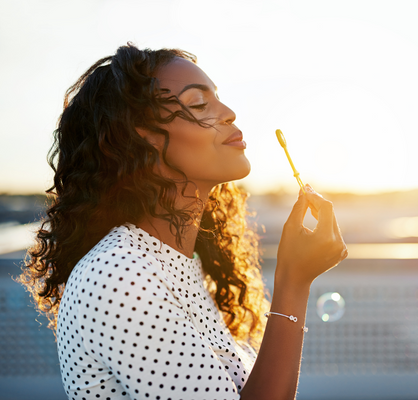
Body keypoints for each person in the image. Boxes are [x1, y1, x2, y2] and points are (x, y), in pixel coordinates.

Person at [19, 43, 348, 400]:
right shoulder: (121, 275)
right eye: (198, 104)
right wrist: (292, 282)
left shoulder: (172, 266)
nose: (229, 114)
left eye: (218, 99)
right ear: (141, 138)